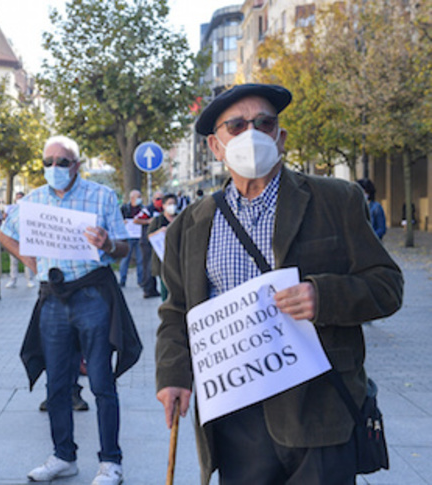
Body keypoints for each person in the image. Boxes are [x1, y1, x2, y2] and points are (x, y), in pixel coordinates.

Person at [155, 83, 404, 485]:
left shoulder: (336, 200)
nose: (251, 135)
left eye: (264, 123)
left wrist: (323, 296)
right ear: (216, 147)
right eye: (235, 126)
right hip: (235, 416)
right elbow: (176, 311)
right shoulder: (189, 225)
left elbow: (387, 285)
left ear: (280, 136)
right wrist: (172, 375)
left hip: (320, 411)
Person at [0, 135, 142, 485]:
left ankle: (111, 462)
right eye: (48, 162)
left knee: (101, 381)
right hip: (52, 298)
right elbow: (5, 233)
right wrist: (31, 262)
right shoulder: (33, 201)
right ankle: (63, 455)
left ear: (77, 164)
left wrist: (108, 243)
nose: (54, 168)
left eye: (62, 162)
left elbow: (124, 247)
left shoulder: (101, 196)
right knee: (56, 384)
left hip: (92, 294)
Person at [147, 193, 178, 301]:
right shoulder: (158, 220)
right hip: (162, 259)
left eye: (174, 204)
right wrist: (160, 231)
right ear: (164, 206)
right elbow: (149, 236)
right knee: (165, 287)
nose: (172, 206)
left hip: (178, 258)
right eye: (169, 204)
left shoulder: (180, 218)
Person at [4, 192, 36, 289]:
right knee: (13, 261)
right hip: (14, 237)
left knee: (27, 259)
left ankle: (29, 279)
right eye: (17, 198)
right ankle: (13, 279)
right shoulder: (11, 208)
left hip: (25, 237)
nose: (19, 200)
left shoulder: (29, 209)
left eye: (21, 198)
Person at [138, 190, 163, 298]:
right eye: (158, 199)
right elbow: (136, 220)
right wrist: (148, 221)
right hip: (147, 241)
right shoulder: (148, 210)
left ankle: (154, 288)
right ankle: (148, 289)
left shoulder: (164, 209)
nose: (160, 201)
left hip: (159, 242)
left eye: (162, 199)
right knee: (148, 265)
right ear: (153, 200)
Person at [118, 190, 144, 288]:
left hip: (139, 236)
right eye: (138, 197)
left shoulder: (142, 209)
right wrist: (123, 222)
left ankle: (141, 280)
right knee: (125, 259)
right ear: (132, 198)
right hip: (128, 236)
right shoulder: (124, 208)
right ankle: (122, 280)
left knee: (140, 259)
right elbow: (118, 219)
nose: (140, 199)